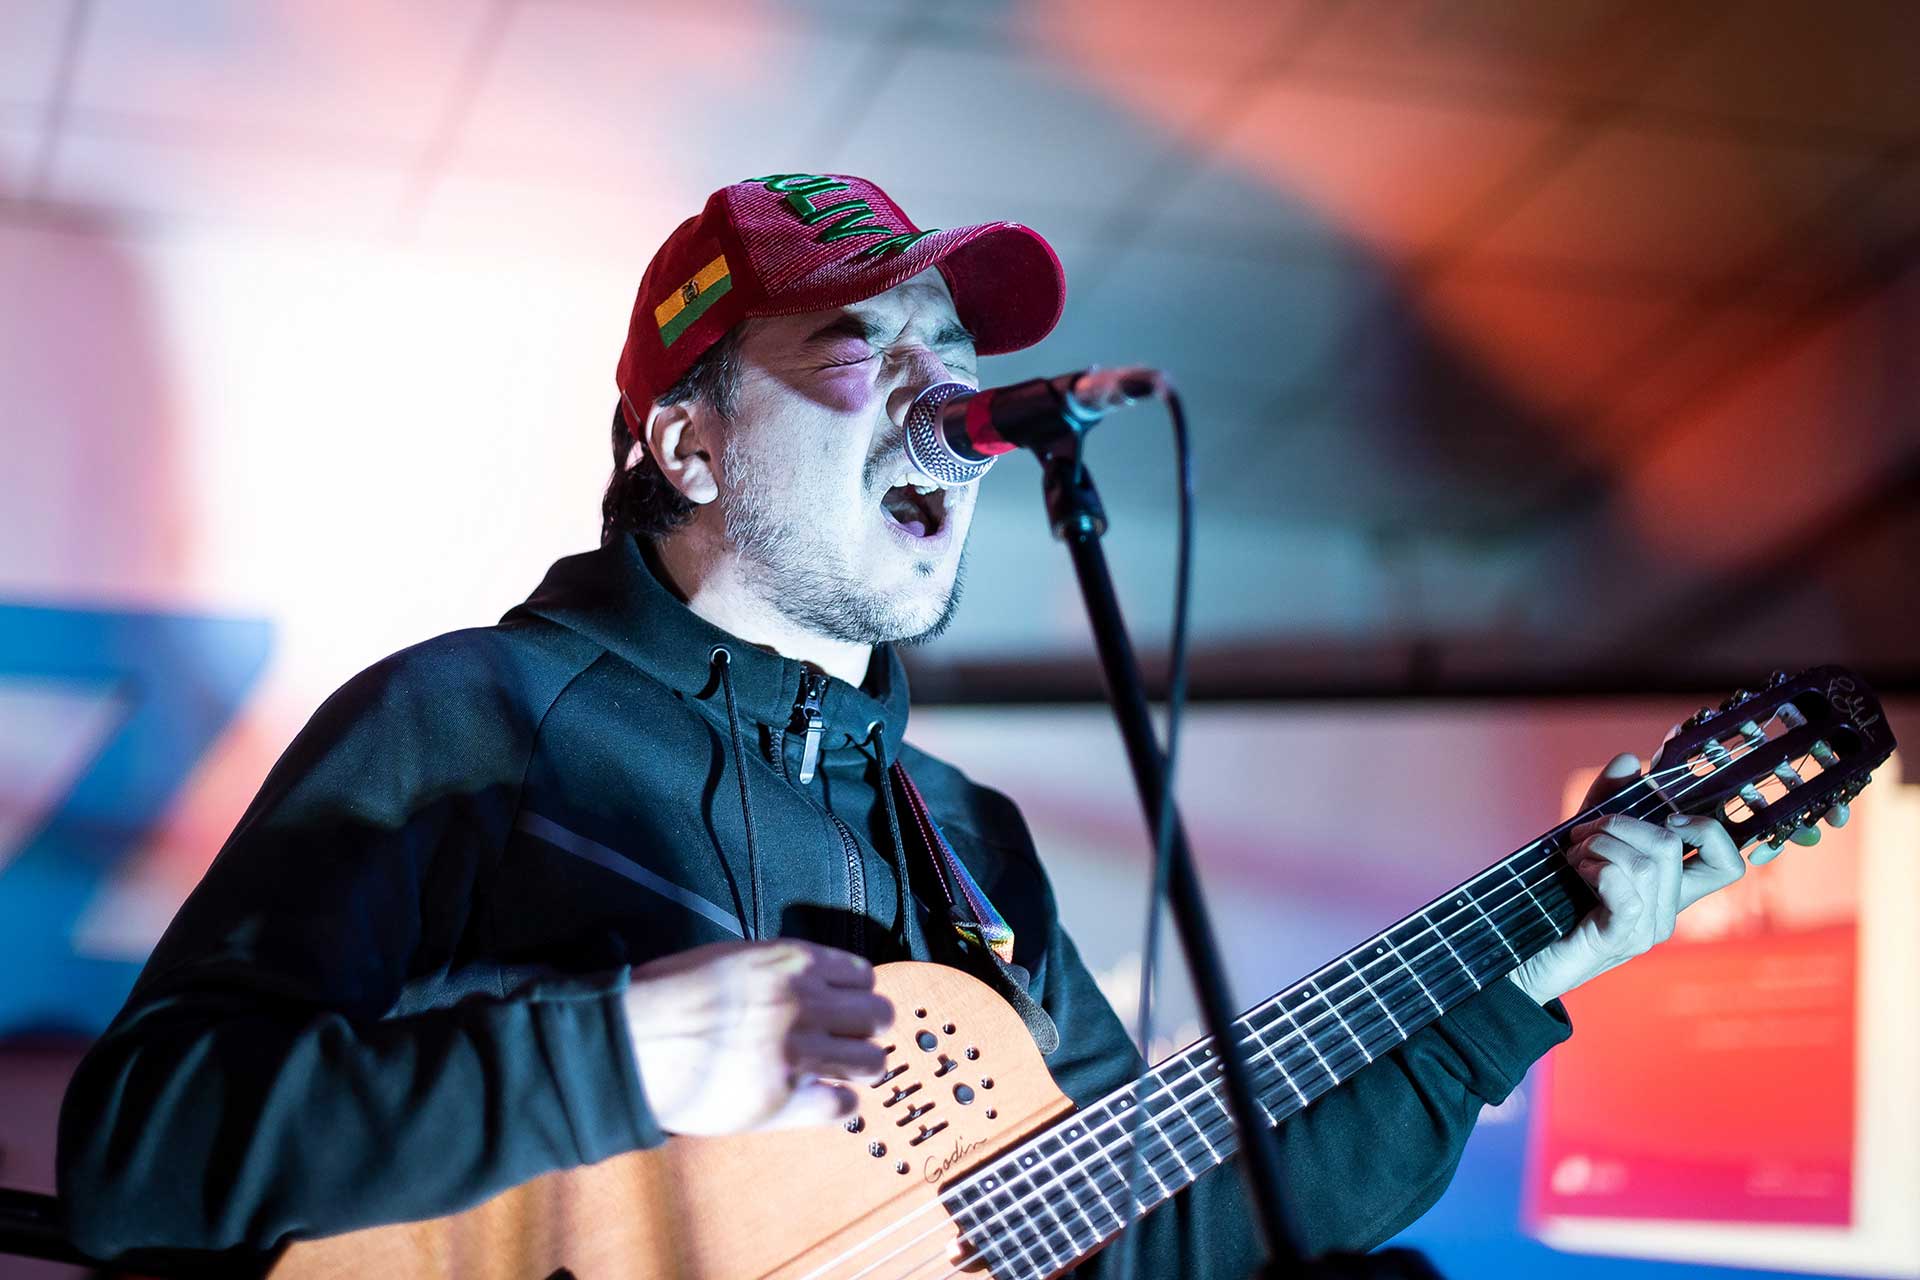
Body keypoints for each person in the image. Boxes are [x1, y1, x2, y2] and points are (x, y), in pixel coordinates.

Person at [55, 173, 1843, 1273]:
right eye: (859, 350)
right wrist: (617, 1065)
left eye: (955, 358)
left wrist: (1526, 975)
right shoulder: (476, 717)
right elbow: (139, 1160)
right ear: (684, 443)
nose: (948, 405)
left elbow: (1150, 1234)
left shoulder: (966, 844)